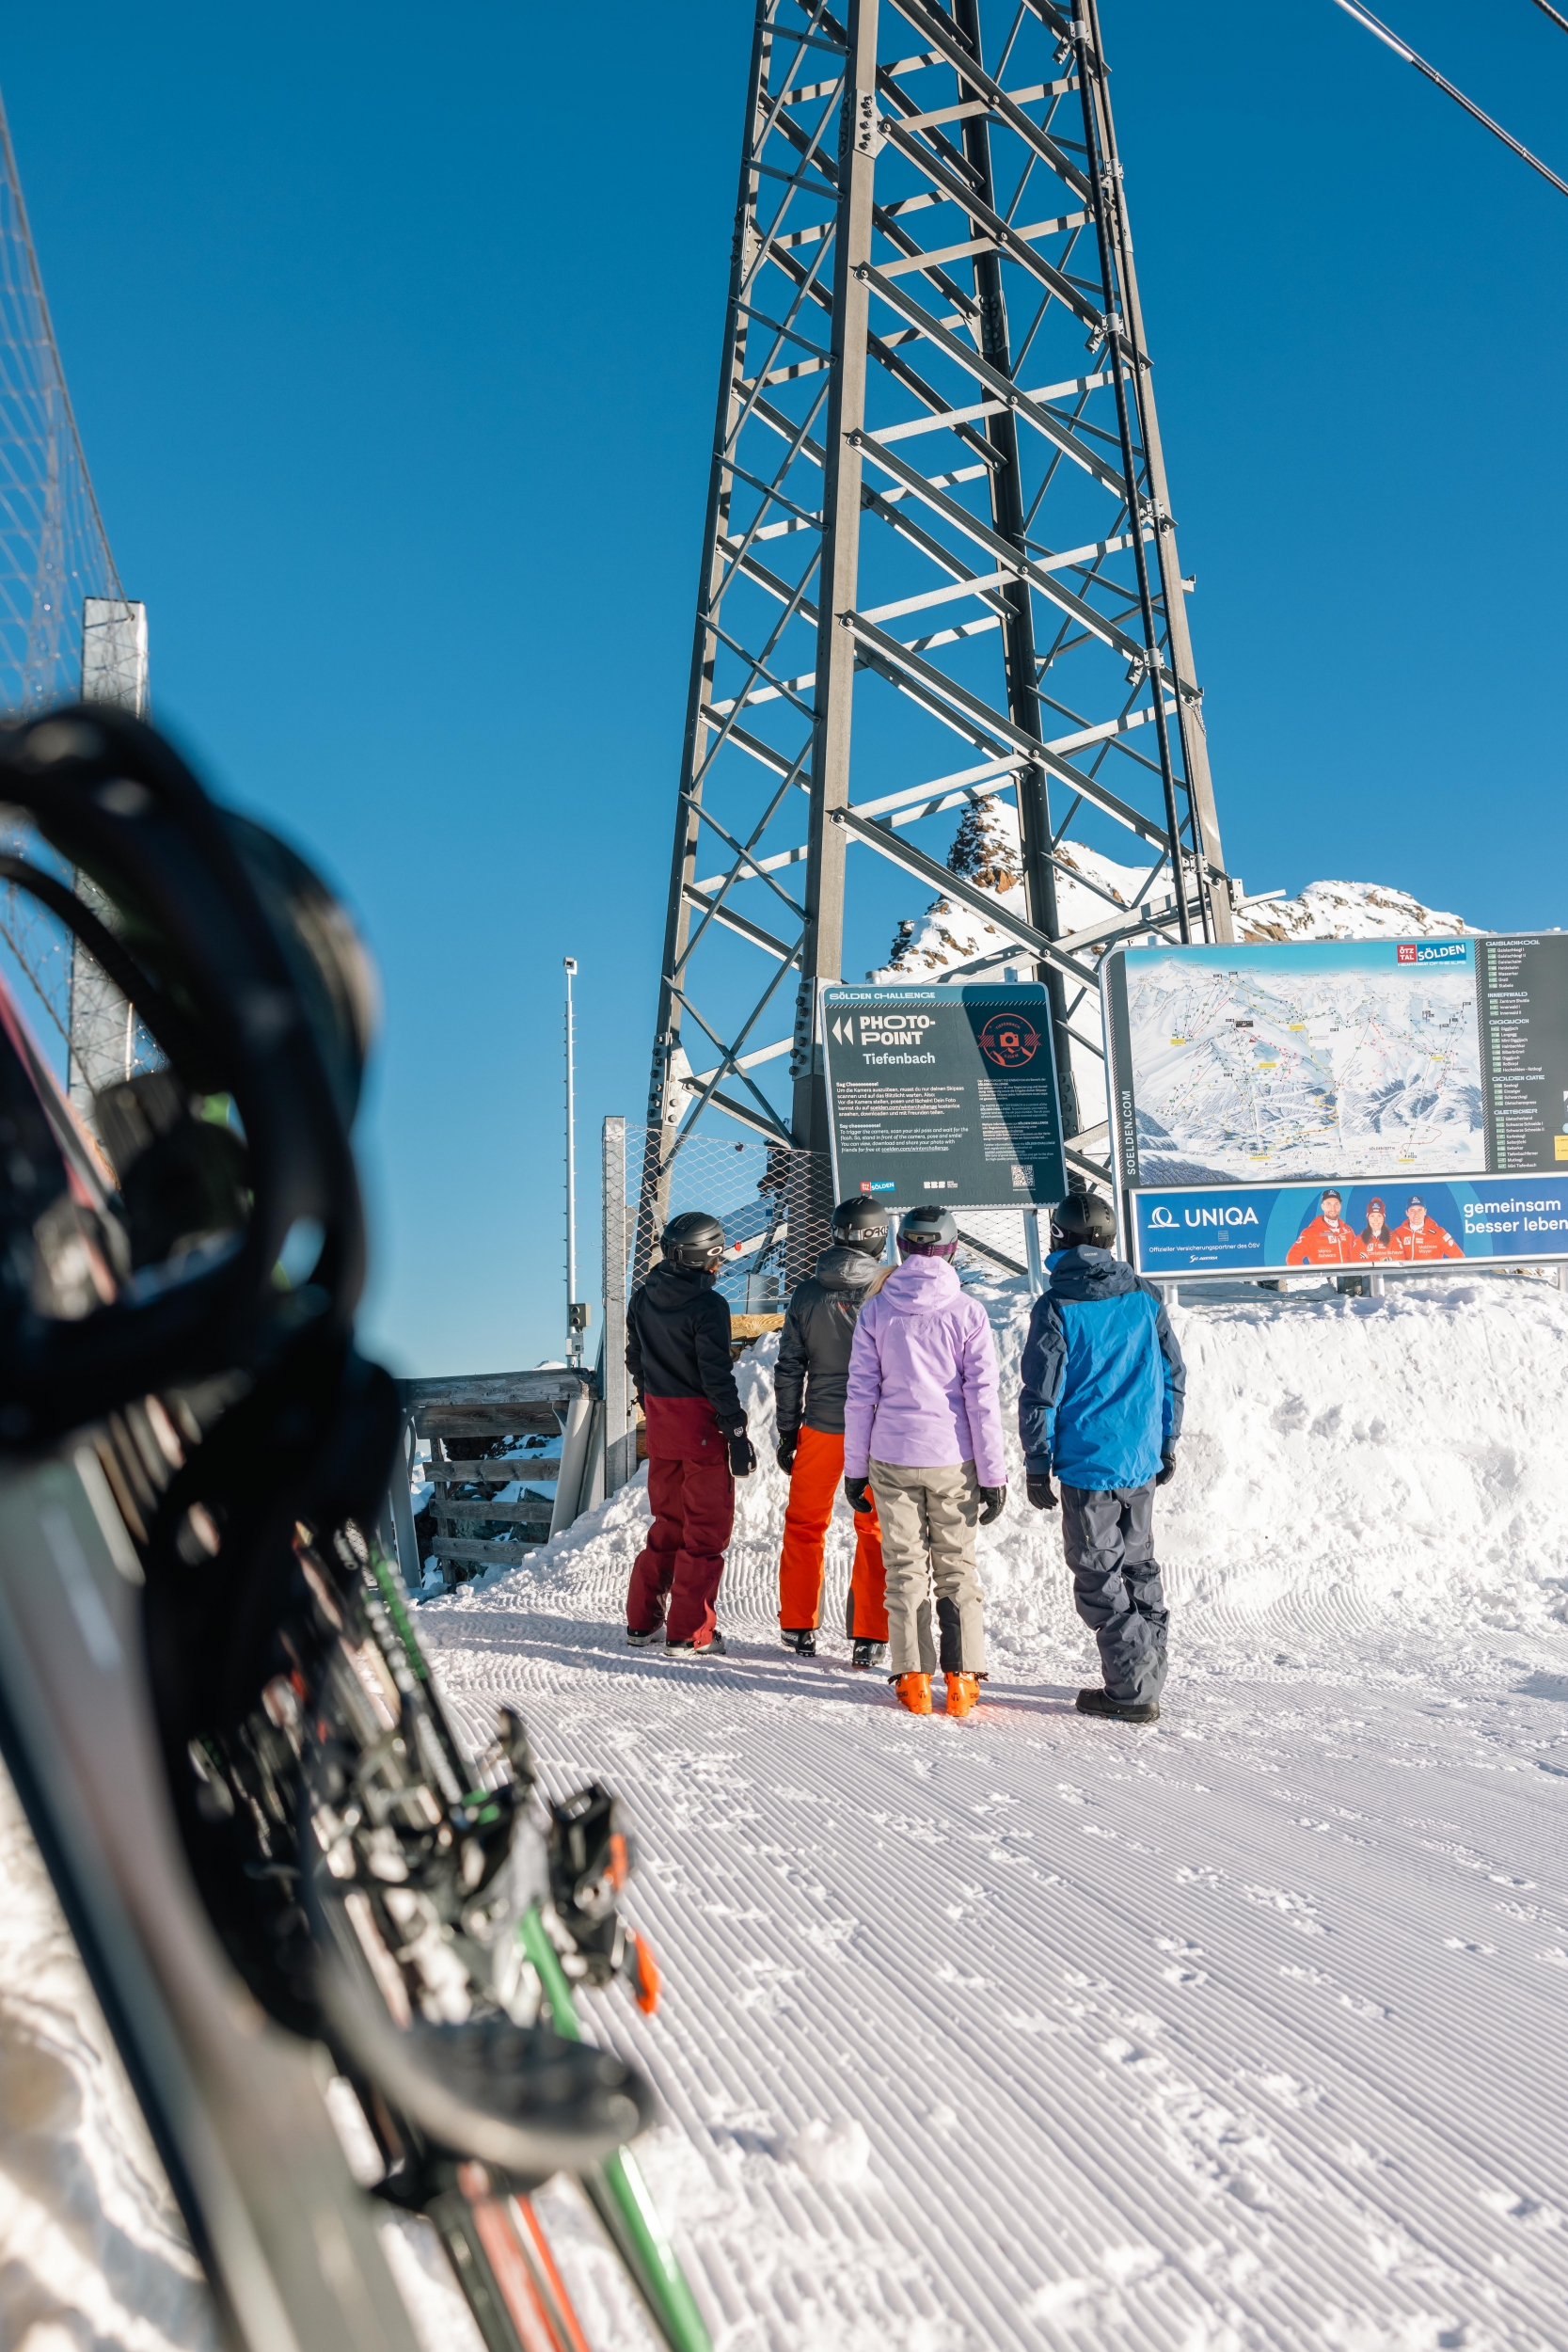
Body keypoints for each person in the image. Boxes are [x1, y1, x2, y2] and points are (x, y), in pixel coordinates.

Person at [1019, 1190, 1185, 1726]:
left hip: (1089, 1467)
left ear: (1059, 1238)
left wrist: (1037, 1462)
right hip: (1140, 1460)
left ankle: (1133, 1689)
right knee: (1137, 1565)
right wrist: (1166, 1441)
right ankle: (1146, 1672)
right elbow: (1172, 1375)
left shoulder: (1057, 1306)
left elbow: (1041, 1393)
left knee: (1098, 1575)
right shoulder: (1143, 1294)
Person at [842, 1206, 1006, 1720]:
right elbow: (982, 1399)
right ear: (952, 1249)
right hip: (953, 1458)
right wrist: (993, 1475)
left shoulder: (876, 1310)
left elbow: (860, 1394)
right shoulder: (968, 1312)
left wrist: (855, 1468)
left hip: (891, 1455)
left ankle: (913, 1679)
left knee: (904, 1567)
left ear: (903, 1246)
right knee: (957, 1567)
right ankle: (962, 1679)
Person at [625, 1210, 756, 1655]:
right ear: (706, 1256)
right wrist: (735, 1430)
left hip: (662, 1424)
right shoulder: (708, 1306)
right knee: (704, 1531)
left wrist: (651, 1400)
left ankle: (642, 1623)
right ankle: (689, 1632)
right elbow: (715, 1375)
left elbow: (635, 1359)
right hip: (701, 1427)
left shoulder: (643, 1298)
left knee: (667, 1524)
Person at [774, 1198, 890, 1667]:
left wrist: (787, 1430)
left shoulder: (806, 1294)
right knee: (875, 1528)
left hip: (821, 1427)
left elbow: (790, 1366)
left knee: (805, 1524)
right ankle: (870, 1635)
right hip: (877, 1430)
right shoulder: (889, 1288)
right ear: (879, 1237)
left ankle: (798, 1624)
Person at [1285, 1187, 1364, 1267]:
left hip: (1348, 1275)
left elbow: (1357, 1254)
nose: (1333, 1208)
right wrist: (1308, 1275)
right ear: (1322, 1206)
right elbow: (1292, 1256)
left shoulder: (1348, 1231)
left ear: (1340, 1206)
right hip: (1324, 1275)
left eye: (1336, 1204)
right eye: (1329, 1204)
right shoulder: (1311, 1232)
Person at [1391, 1192, 1464, 1262]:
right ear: (1407, 1213)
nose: (1416, 1214)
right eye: (1412, 1210)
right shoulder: (1398, 1232)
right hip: (1405, 1271)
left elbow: (1459, 1257)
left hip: (1431, 1270)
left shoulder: (1438, 1233)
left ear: (1425, 1211)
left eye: (1419, 1210)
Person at [1359, 1196, 1397, 1263]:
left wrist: (1367, 1259)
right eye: (1372, 1216)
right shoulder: (1359, 1239)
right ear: (1367, 1217)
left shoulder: (1394, 1238)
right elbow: (1355, 1260)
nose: (1375, 1220)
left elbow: (1400, 1259)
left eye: (1379, 1216)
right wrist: (1382, 1260)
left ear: (1384, 1218)